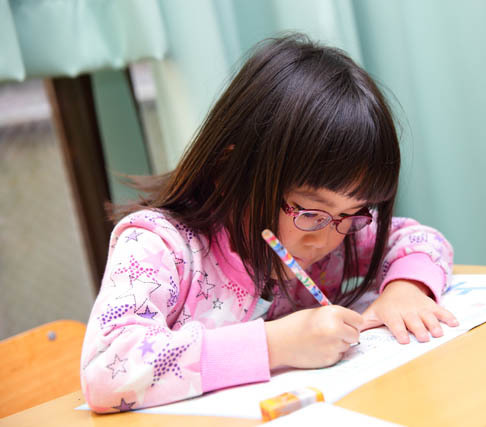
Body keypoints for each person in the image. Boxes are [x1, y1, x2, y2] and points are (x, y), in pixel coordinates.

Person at [80, 33, 457, 413]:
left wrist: (406, 290)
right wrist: (274, 345)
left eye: (354, 213)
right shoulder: (159, 246)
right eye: (311, 212)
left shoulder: (337, 231)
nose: (328, 239)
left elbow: (419, 239)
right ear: (230, 172)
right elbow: (107, 371)